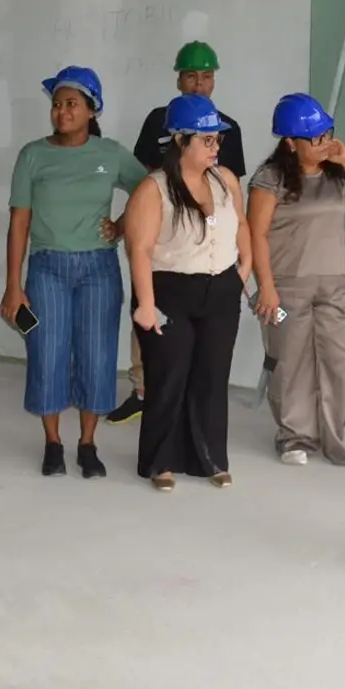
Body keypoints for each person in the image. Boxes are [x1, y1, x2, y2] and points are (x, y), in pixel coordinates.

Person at [1, 66, 147, 477]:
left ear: (91, 110)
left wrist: (121, 226)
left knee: (97, 356)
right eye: (57, 104)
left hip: (99, 268)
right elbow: (19, 223)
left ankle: (87, 444)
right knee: (46, 353)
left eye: (71, 104)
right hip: (47, 268)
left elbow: (149, 190)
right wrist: (13, 285)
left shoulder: (110, 154)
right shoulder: (33, 155)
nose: (62, 112)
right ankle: (52, 443)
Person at [109, 40, 246, 425]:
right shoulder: (158, 121)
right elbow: (140, 184)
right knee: (148, 311)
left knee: (198, 342)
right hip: (160, 242)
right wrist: (123, 224)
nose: (199, 84)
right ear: (179, 79)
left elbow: (233, 196)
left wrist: (241, 262)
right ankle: (142, 391)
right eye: (191, 76)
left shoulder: (227, 128)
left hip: (203, 250)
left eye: (206, 76)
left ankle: (187, 405)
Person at [247, 92, 345, 468]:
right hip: (287, 285)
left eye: (327, 134)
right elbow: (256, 234)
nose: (325, 143)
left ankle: (341, 441)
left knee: (340, 362)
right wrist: (267, 287)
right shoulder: (270, 179)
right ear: (290, 143)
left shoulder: (335, 176)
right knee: (290, 363)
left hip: (334, 284)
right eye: (315, 138)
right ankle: (295, 437)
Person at [124, 93, 251, 491]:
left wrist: (244, 270)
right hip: (169, 291)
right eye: (207, 140)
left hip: (221, 289)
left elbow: (242, 225)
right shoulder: (154, 189)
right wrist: (146, 304)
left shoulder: (225, 180)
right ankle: (160, 461)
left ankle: (209, 458)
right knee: (170, 374)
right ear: (180, 141)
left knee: (212, 376)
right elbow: (139, 250)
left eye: (218, 139)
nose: (216, 147)